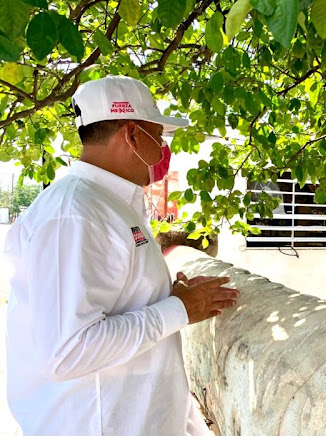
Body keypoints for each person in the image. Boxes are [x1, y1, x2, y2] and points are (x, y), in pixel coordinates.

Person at [3, 76, 240, 436]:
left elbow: (115, 299)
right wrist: (179, 310)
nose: (162, 151)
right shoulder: (76, 214)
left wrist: (167, 296)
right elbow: (68, 352)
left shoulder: (108, 205)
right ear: (132, 135)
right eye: (157, 137)